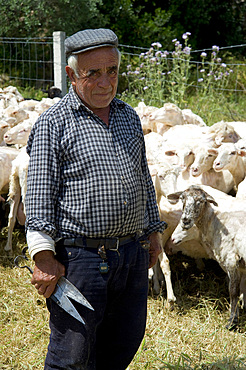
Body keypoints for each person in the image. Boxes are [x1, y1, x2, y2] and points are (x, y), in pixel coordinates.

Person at [25, 28, 167, 370]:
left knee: (123, 343)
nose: (106, 82)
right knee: (70, 353)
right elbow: (39, 193)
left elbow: (142, 177)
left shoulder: (128, 116)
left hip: (132, 254)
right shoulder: (53, 124)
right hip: (81, 259)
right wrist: (44, 255)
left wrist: (153, 232)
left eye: (113, 71)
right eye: (94, 74)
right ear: (72, 75)